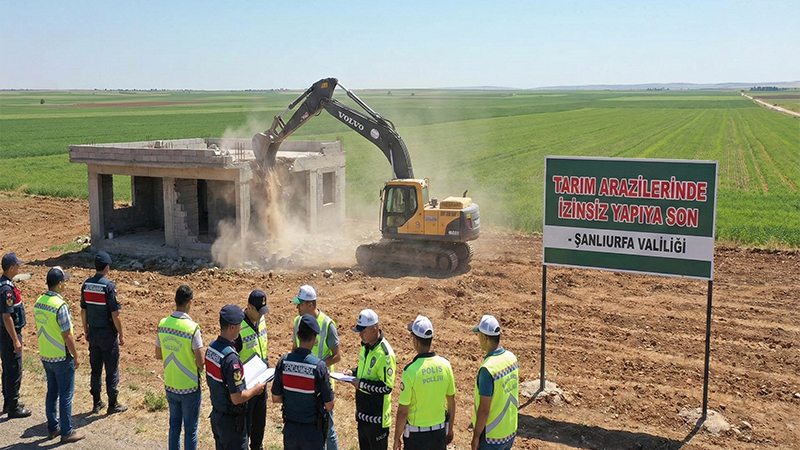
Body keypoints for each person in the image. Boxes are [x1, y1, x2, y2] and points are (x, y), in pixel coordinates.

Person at [34, 267, 85, 443]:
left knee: (51, 392)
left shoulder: (39, 301)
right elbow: (67, 334)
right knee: (65, 395)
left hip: (46, 355)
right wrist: (76, 355)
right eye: (64, 281)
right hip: (61, 357)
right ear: (60, 283)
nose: (65, 284)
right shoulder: (61, 306)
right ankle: (67, 431)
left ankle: (53, 427)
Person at [205, 305, 266, 450]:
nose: (241, 327)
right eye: (239, 324)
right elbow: (237, 398)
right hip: (232, 424)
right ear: (232, 327)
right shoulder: (231, 359)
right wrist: (255, 390)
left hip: (217, 415)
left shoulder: (212, 348)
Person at [272, 313, 335, 450]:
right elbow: (329, 405)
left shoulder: (283, 362)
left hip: (291, 432)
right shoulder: (319, 367)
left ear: (298, 336)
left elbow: (276, 398)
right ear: (314, 338)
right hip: (312, 434)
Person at [393, 315, 455, 450]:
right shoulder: (445, 365)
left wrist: (397, 437)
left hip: (416, 437)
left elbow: (403, 411)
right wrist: (450, 428)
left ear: (416, 341)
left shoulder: (410, 371)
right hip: (439, 433)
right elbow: (451, 402)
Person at [291, 284, 341, 450]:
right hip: (303, 385)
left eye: (300, 303)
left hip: (322, 386)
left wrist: (318, 366)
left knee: (327, 430)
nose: (297, 306)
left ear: (310, 305)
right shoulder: (298, 322)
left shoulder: (327, 325)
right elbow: (294, 348)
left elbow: (337, 355)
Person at [156, 285, 204, 450]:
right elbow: (200, 361)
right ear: (190, 303)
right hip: (189, 387)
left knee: (174, 427)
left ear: (175, 300)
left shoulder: (163, 324)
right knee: (190, 430)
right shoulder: (193, 329)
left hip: (170, 384)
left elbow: (158, 354)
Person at [80, 250, 127, 414]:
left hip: (93, 333)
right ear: (107, 267)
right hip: (107, 334)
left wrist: (85, 330)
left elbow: (83, 311)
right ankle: (112, 404)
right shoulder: (108, 286)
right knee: (112, 369)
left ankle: (96, 402)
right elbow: (115, 314)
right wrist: (120, 333)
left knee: (96, 369)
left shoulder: (86, 285)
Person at [343, 309, 396, 450]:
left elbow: (387, 387)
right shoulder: (366, 346)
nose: (360, 335)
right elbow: (365, 372)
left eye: (363, 331)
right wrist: (352, 372)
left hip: (377, 422)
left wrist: (361, 385)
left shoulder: (385, 354)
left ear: (374, 330)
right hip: (363, 417)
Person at [470, 315, 519, 450]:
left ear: (485, 338)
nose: (478, 338)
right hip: (509, 432)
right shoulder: (512, 358)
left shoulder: (488, 369)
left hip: (492, 438)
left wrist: (475, 437)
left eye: (479, 335)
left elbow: (484, 410)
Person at [235, 289, 270, 450]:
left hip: (262, 384)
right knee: (245, 430)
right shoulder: (238, 329)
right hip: (246, 388)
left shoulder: (261, 321)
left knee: (259, 428)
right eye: (259, 311)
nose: (262, 315)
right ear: (249, 307)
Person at [1, 252, 31, 418]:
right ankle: (13, 407)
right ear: (11, 268)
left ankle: (9, 401)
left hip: (4, 334)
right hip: (9, 334)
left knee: (7, 367)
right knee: (14, 369)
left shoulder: (4, 284)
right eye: (17, 265)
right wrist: (15, 340)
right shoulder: (7, 289)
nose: (19, 267)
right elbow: (7, 317)